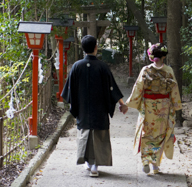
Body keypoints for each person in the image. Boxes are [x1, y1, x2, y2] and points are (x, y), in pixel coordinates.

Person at [61, 35, 128, 177]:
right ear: (96, 48)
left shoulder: (76, 66)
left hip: (83, 108)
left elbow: (69, 89)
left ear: (83, 49)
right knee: (98, 134)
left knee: (85, 133)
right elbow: (112, 88)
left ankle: (87, 162)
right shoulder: (103, 67)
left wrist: (75, 104)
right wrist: (122, 104)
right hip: (100, 108)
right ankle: (95, 165)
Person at [125, 43, 181, 174]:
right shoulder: (168, 71)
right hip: (163, 106)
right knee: (160, 134)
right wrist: (176, 105)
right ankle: (155, 165)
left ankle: (145, 160)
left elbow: (138, 87)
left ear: (151, 56)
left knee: (146, 133)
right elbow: (174, 89)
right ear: (164, 56)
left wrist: (130, 103)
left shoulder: (146, 70)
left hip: (148, 106)